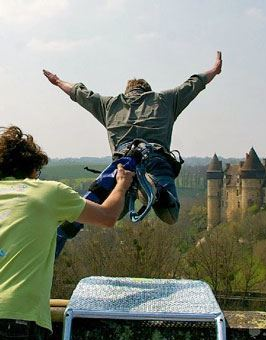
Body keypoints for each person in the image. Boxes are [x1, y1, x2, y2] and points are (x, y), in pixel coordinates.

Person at [0, 126, 134, 340]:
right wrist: (122, 185)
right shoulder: (47, 193)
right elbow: (108, 216)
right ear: (33, 169)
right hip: (16, 319)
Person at [43, 51, 222, 225]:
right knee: (170, 215)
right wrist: (214, 70)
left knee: (113, 213)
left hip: (123, 164)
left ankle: (127, 187)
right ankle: (154, 189)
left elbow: (80, 93)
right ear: (147, 90)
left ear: (128, 91)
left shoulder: (109, 105)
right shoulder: (165, 100)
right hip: (156, 158)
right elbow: (193, 84)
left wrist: (58, 81)